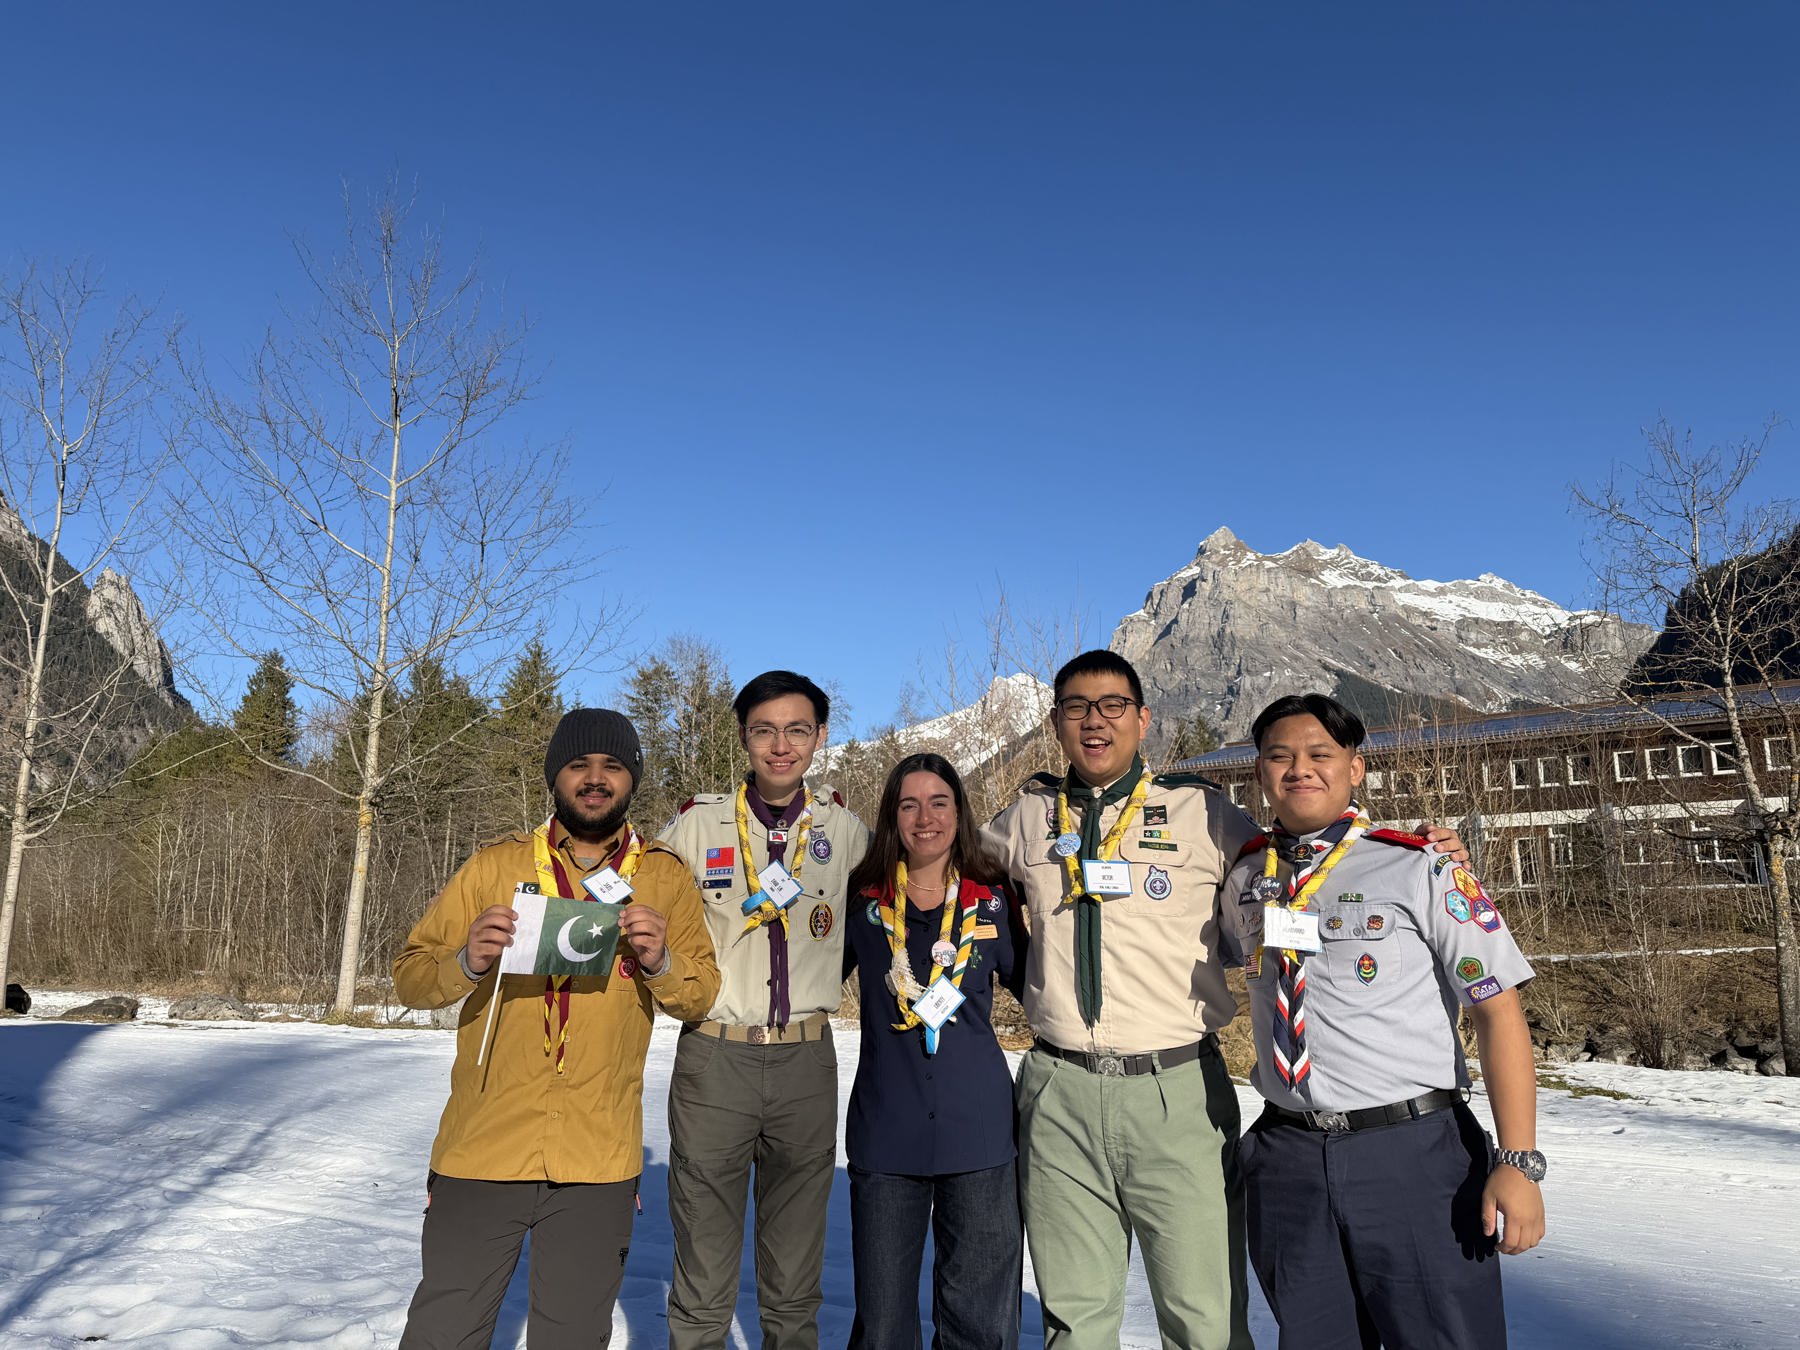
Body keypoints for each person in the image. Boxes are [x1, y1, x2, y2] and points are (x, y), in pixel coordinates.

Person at [980, 650, 1469, 1350]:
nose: (1095, 721)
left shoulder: (1202, 810)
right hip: (1057, 1089)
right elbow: (948, 866)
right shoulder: (1026, 817)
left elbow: (1306, 847)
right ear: (1056, 723)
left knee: (1204, 1318)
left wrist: (1418, 844)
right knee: (1074, 1319)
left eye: (1113, 705)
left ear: (1143, 719)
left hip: (1175, 1090)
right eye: (1077, 708)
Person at [1218, 694, 1545, 1350]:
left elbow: (1497, 1009)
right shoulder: (1246, 878)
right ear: (1259, 772)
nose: (1299, 769)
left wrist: (1519, 1161)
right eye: (1280, 756)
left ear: (1356, 768)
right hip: (1288, 1160)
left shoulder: (1421, 864)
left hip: (1412, 1156)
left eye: (1320, 754)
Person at [392, 708, 721, 1350]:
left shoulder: (663, 876)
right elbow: (410, 978)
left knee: (572, 1338)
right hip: (484, 1146)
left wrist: (661, 961)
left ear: (632, 779)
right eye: (578, 765)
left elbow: (701, 994)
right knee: (442, 1332)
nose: (595, 779)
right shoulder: (494, 866)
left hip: (597, 1158)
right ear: (555, 776)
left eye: (612, 766)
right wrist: (467, 960)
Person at [658, 670, 871, 1350]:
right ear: (744, 737)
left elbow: (880, 922)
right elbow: (641, 905)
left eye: (797, 730)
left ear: (820, 737)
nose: (782, 746)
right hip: (716, 1057)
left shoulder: (847, 831)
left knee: (794, 1277)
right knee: (702, 1271)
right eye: (765, 731)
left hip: (806, 1061)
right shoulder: (696, 826)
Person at [841, 752, 1029, 1350]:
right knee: (884, 1322)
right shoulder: (862, 901)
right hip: (886, 1133)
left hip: (978, 1133)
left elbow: (1039, 988)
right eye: (909, 805)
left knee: (980, 1320)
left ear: (959, 811)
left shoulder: (992, 897)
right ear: (891, 816)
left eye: (939, 802)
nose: (926, 818)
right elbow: (807, 978)